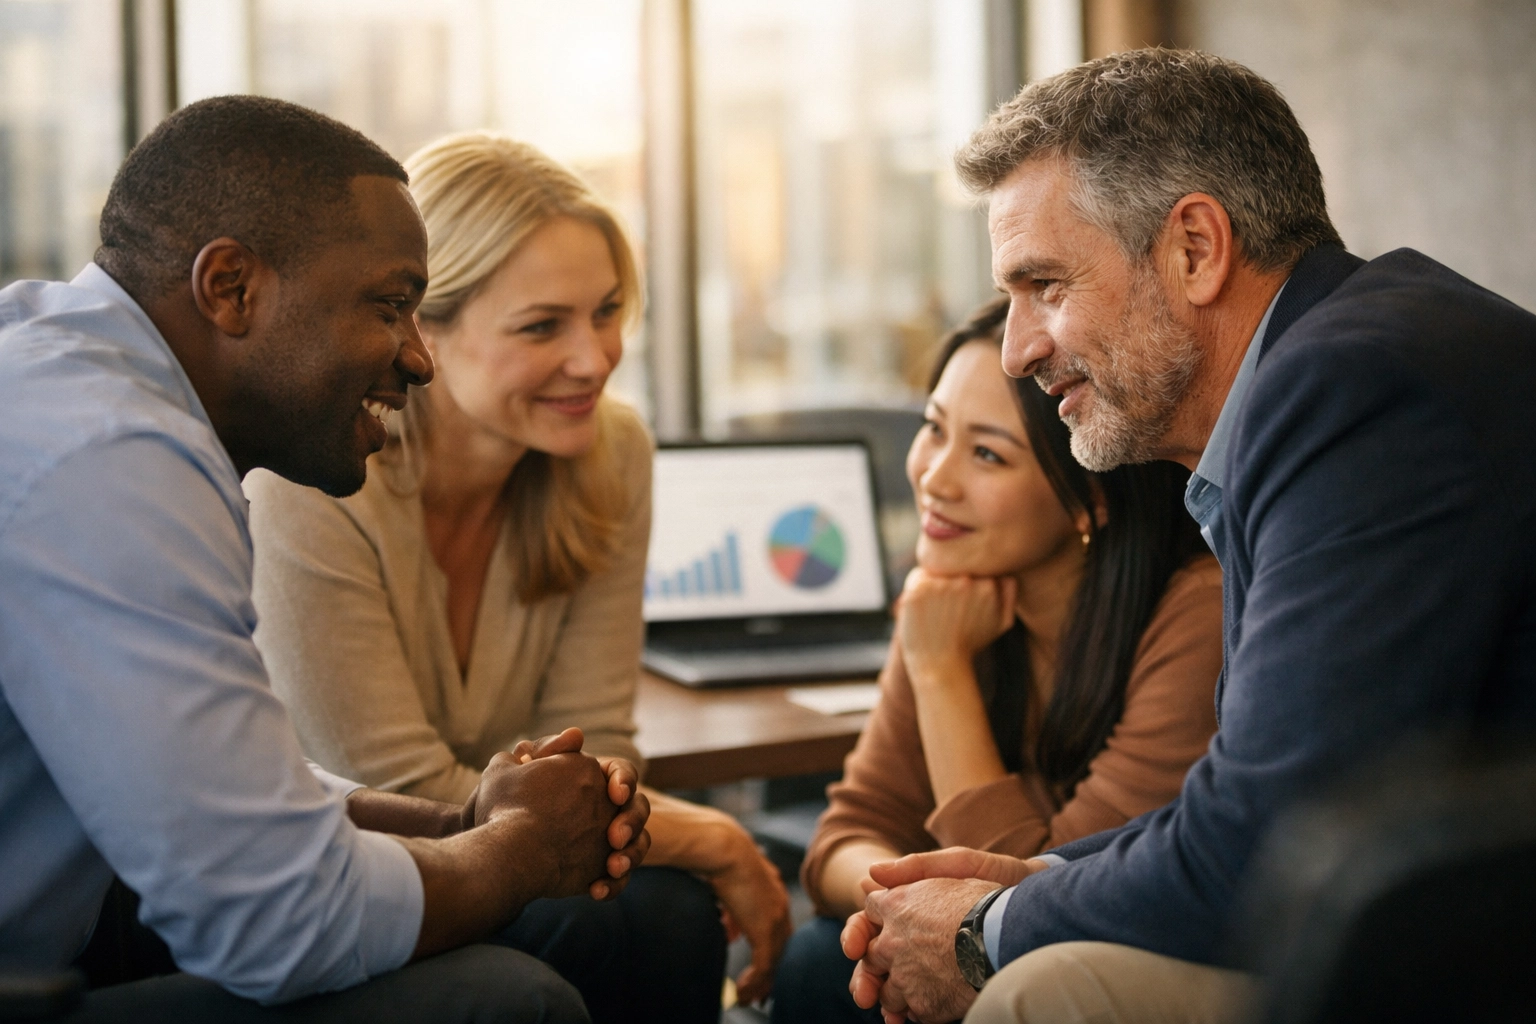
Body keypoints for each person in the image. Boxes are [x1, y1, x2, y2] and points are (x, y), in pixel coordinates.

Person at [838, 47, 1536, 1024]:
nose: (1018, 347)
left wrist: (985, 925)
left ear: (1196, 249)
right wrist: (1036, 874)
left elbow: (1269, 843)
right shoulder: (1342, 365)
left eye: (1044, 285)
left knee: (1041, 988)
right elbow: (1269, 800)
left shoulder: (1352, 390)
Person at [0, 96, 652, 1023]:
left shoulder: (77, 387)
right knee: (505, 1004)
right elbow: (282, 922)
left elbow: (207, 788)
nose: (416, 360)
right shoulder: (114, 459)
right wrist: (517, 852)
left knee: (614, 924)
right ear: (230, 287)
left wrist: (458, 824)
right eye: (389, 307)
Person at [244, 131, 791, 1022]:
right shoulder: (308, 480)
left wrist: (671, 840)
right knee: (637, 916)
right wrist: (715, 837)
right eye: (543, 326)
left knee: (659, 915)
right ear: (422, 328)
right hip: (353, 876)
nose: (596, 358)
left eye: (608, 311)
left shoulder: (610, 452)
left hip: (520, 857)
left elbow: (600, 750)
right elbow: (398, 792)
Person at [770, 298, 1221, 1023]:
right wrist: (905, 911)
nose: (934, 479)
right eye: (933, 430)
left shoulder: (1195, 612)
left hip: (1096, 963)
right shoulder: (952, 591)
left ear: (1089, 500)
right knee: (825, 958)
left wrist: (943, 673)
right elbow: (841, 840)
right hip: (988, 941)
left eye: (986, 454)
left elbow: (1041, 908)